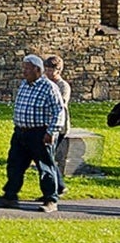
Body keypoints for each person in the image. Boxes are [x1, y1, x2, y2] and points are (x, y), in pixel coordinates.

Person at [0, 53, 63, 212]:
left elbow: (58, 111)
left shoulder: (49, 88)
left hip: (39, 133)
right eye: (24, 68)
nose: (24, 72)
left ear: (37, 69)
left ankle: (50, 200)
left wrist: (51, 132)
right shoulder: (24, 84)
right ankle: (10, 196)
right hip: (21, 132)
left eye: (27, 69)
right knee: (15, 165)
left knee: (45, 167)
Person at [44, 54, 73, 194]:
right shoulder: (45, 83)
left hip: (59, 127)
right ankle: (59, 186)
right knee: (47, 156)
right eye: (47, 69)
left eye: (51, 70)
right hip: (45, 124)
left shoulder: (63, 86)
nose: (48, 72)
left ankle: (58, 186)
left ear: (58, 71)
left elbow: (60, 105)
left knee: (48, 156)